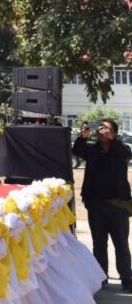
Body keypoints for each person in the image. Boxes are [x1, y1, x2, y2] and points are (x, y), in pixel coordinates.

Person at [73, 119, 132, 292]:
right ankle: (101, 278)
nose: (101, 131)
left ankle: (127, 279)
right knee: (99, 244)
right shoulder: (92, 149)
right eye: (100, 128)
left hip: (118, 206)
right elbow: (77, 150)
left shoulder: (121, 149)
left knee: (121, 244)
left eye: (106, 128)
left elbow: (126, 155)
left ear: (114, 132)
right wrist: (83, 137)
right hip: (96, 205)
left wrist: (113, 140)